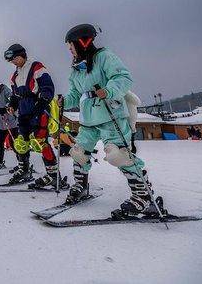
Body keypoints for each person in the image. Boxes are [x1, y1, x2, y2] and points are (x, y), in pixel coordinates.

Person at [59, 23, 161, 216]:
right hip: (88, 118)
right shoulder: (76, 69)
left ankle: (143, 195)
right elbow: (75, 92)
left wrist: (109, 90)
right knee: (78, 152)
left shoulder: (104, 57)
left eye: (71, 45)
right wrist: (64, 100)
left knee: (118, 154)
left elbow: (123, 77)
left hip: (110, 113)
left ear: (82, 42)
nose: (70, 50)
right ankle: (81, 186)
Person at [4, 44, 66, 188]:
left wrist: (42, 101)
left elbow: (48, 87)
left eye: (15, 58)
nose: (13, 62)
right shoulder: (15, 75)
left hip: (39, 111)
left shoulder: (36, 67)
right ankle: (24, 170)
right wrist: (12, 105)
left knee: (40, 142)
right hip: (24, 113)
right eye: (11, 60)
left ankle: (54, 176)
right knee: (21, 143)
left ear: (22, 55)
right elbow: (14, 95)